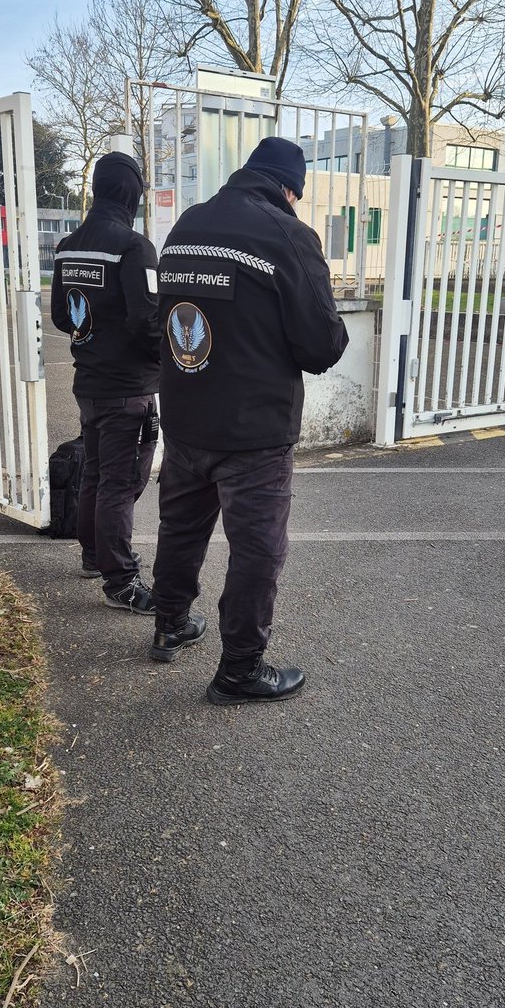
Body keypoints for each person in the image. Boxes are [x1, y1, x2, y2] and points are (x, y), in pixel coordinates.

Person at [150, 136, 349, 704]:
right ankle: (239, 669)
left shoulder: (186, 226)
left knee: (181, 528)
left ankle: (170, 623)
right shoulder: (288, 236)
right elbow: (320, 345)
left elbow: (166, 318)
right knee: (256, 548)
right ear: (290, 189)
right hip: (254, 431)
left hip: (185, 416)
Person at [51, 150, 160, 613]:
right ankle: (121, 581)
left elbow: (62, 315)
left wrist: (94, 333)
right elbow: (149, 323)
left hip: (89, 382)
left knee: (96, 474)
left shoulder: (67, 246)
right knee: (121, 481)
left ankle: (94, 556)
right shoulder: (134, 248)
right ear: (133, 192)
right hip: (126, 388)